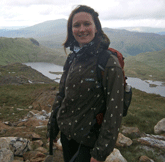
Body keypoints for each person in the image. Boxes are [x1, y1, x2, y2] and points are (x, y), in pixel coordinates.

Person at [47, 5, 124, 162]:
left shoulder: (108, 63)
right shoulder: (72, 58)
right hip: (67, 136)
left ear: (96, 28)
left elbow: (114, 112)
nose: (82, 29)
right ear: (71, 30)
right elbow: (62, 95)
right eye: (76, 25)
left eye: (87, 24)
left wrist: (100, 153)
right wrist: (53, 127)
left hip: (89, 143)